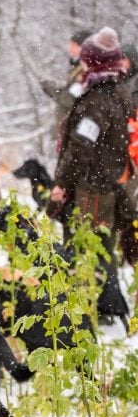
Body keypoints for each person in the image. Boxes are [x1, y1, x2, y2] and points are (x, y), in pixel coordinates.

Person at [49, 27, 132, 318]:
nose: (81, 65)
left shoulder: (97, 100)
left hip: (93, 188)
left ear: (96, 62)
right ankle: (107, 306)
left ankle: (98, 310)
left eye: (86, 60)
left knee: (88, 249)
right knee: (102, 248)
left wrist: (61, 185)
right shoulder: (119, 90)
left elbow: (81, 148)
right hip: (109, 182)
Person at [40, 28, 93, 140]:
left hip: (74, 131)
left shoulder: (86, 71)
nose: (70, 49)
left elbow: (71, 99)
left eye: (74, 45)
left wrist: (53, 90)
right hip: (68, 129)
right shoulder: (77, 68)